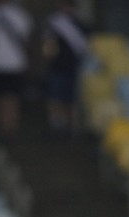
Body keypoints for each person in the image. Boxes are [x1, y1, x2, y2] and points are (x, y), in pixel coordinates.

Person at [0, 0, 32, 136]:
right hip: (16, 64)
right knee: (12, 99)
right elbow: (26, 41)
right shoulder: (22, 15)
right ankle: (9, 130)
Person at [44, 1, 89, 133]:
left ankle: (71, 125)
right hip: (58, 66)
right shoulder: (54, 24)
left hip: (74, 66)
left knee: (71, 98)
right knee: (56, 96)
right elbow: (48, 46)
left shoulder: (79, 24)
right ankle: (57, 123)